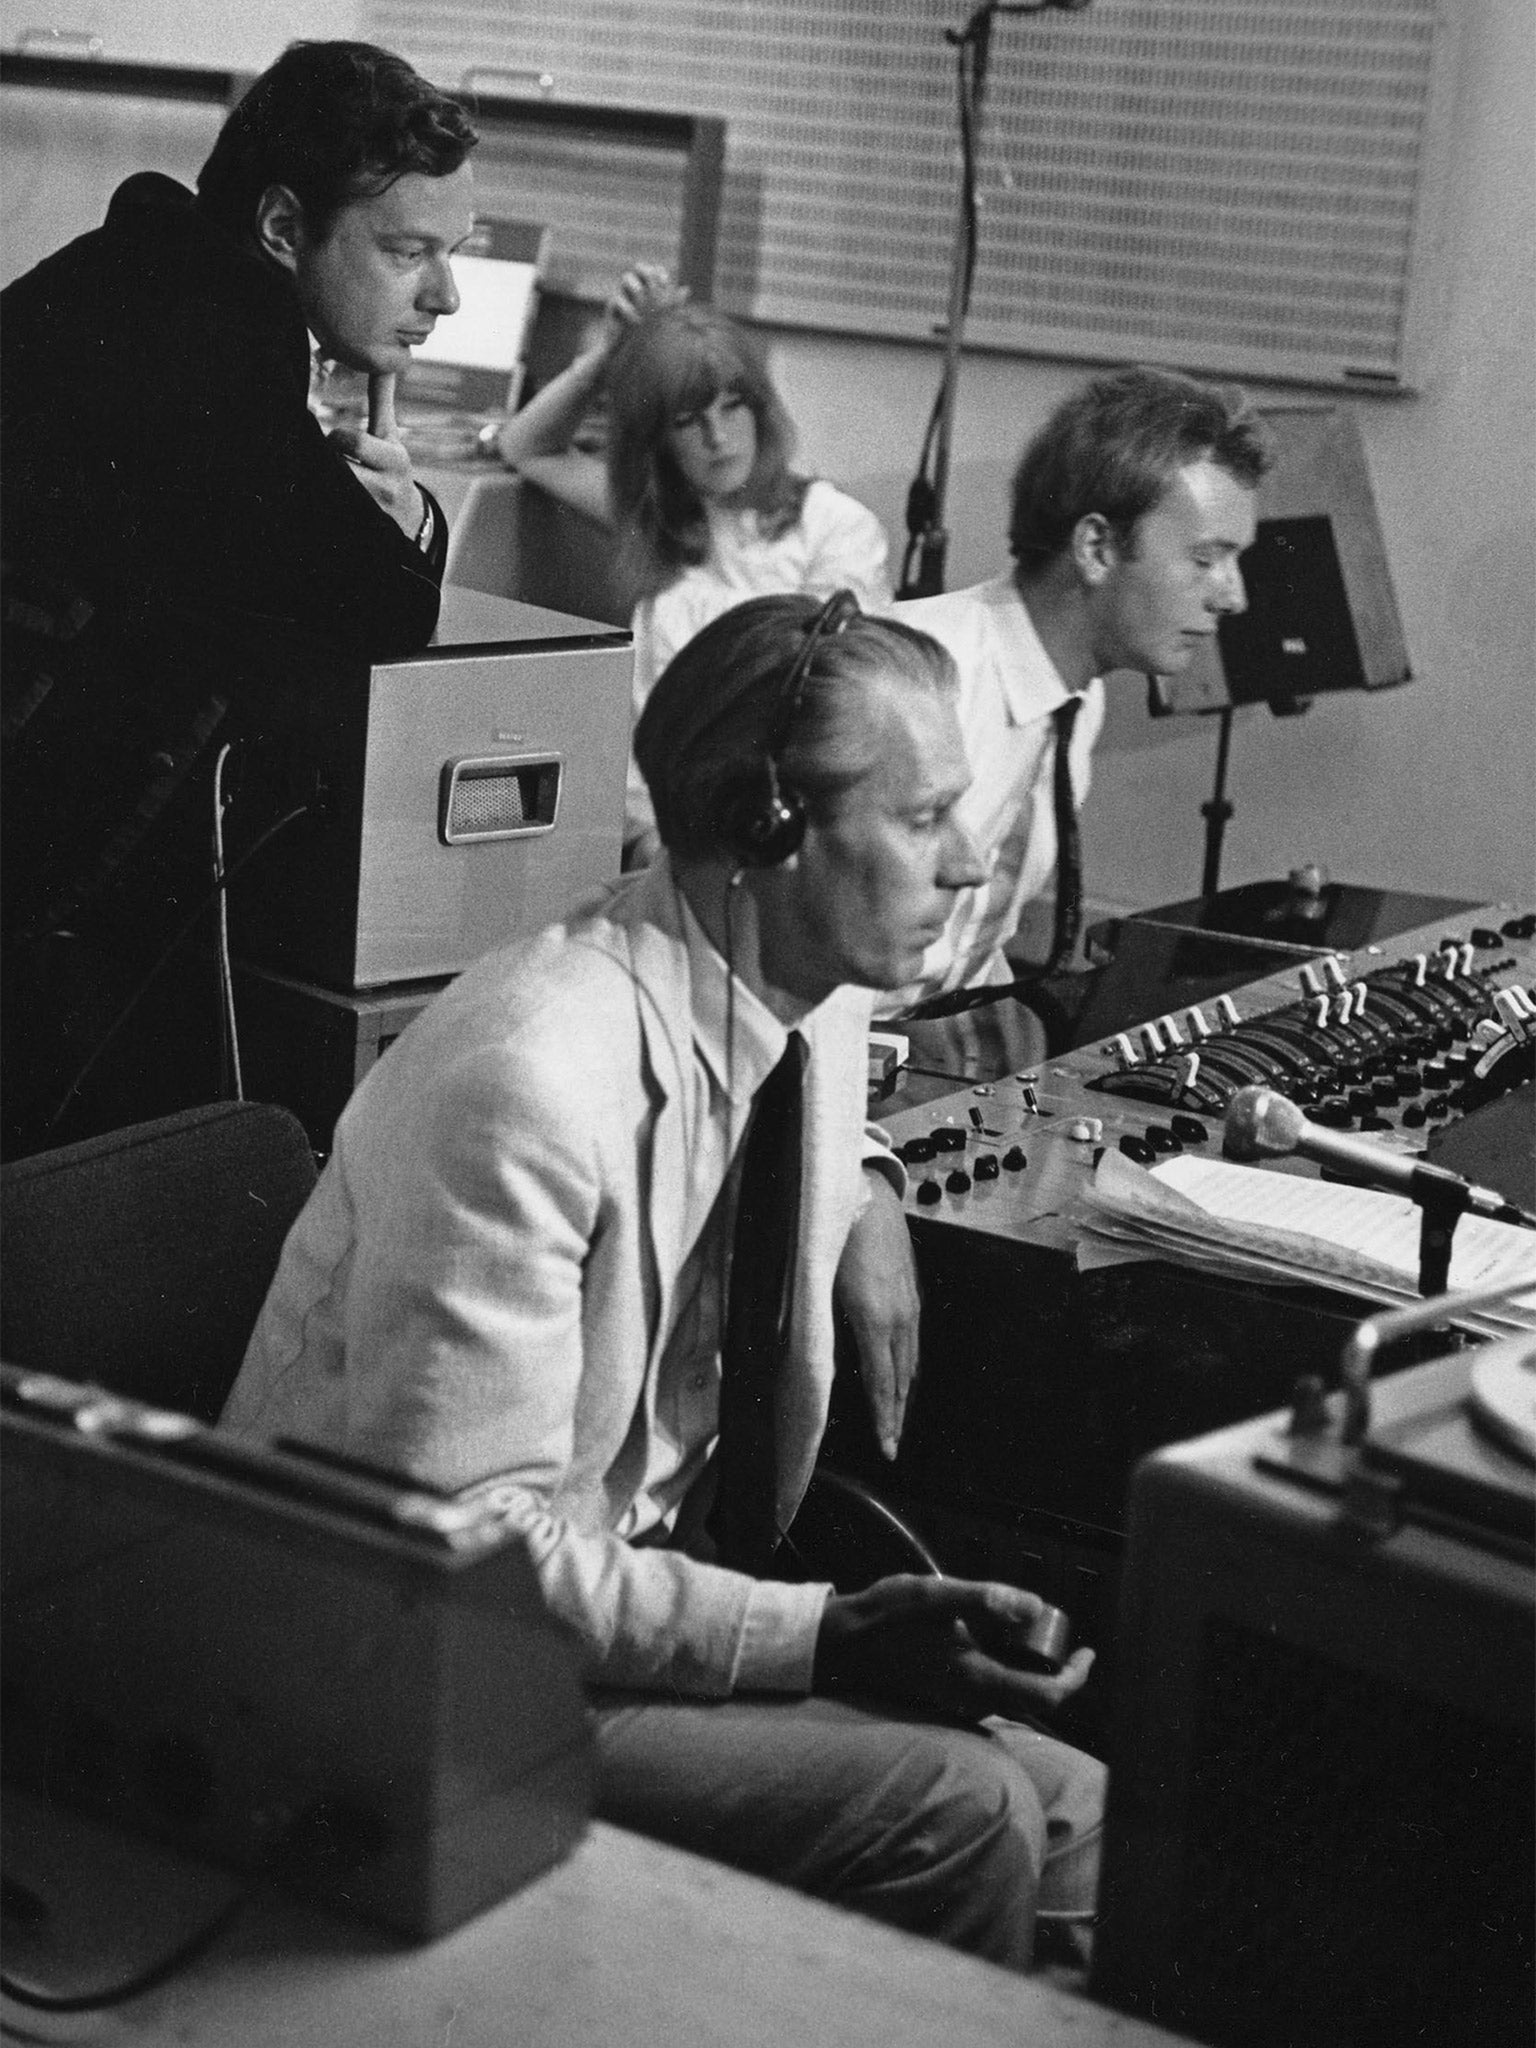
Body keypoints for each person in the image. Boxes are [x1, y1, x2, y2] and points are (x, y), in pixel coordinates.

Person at [219, 591, 1106, 1973]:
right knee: (965, 1812)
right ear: (768, 833)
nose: (974, 860)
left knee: (1096, 1817)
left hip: (621, 1605)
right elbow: (469, 1562)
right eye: (924, 818)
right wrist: (822, 1637)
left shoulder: (808, 1003)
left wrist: (866, 1185)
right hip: (410, 1679)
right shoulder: (526, 1079)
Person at [0, 41, 478, 1157]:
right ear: (279, 228)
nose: (443, 295)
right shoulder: (216, 332)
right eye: (408, 251)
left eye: (454, 254)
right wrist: (403, 522)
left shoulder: (129, 272)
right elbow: (381, 605)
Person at [884, 365, 1274, 1031]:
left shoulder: (1075, 698)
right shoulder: (911, 684)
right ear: (1095, 547)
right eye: (1205, 559)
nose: (1233, 596)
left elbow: (966, 955)